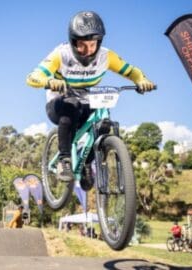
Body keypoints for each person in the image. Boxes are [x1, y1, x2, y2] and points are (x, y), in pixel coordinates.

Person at [26, 11, 155, 183]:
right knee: (71, 107)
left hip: (86, 99)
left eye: (93, 45)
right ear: (73, 42)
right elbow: (32, 77)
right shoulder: (61, 54)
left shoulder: (106, 56)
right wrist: (49, 81)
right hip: (59, 102)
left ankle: (87, 163)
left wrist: (141, 79)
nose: (88, 51)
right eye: (82, 45)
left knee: (103, 123)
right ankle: (64, 160)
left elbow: (131, 71)